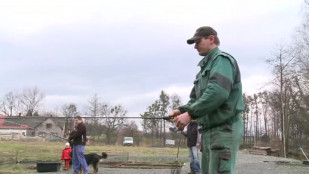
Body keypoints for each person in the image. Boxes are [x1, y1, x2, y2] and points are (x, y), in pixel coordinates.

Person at [169, 26, 244, 174]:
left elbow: (217, 93)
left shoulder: (222, 60)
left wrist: (190, 114)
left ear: (211, 39)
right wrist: (181, 110)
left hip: (224, 128)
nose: (195, 46)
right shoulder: (204, 68)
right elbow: (196, 99)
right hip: (210, 131)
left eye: (197, 41)